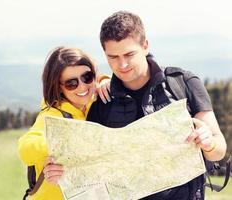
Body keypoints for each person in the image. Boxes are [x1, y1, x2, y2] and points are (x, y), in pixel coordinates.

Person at [85, 11, 227, 199]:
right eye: (113, 57)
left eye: (129, 54)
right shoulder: (101, 103)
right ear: (105, 54)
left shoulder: (183, 83)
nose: (122, 64)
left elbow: (219, 151)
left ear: (145, 46)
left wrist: (208, 143)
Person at [17, 46, 110, 200]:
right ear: (58, 87)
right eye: (71, 83)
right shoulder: (52, 116)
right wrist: (61, 144)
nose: (82, 86)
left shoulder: (89, 102)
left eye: (87, 77)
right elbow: (25, 149)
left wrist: (105, 80)